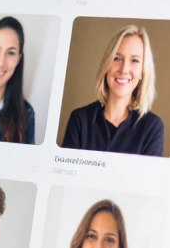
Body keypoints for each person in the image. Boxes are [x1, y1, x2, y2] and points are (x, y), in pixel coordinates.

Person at [61, 25, 164, 156]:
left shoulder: (152, 127)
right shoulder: (80, 119)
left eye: (134, 60)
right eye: (117, 58)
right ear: (106, 66)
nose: (124, 69)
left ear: (143, 72)